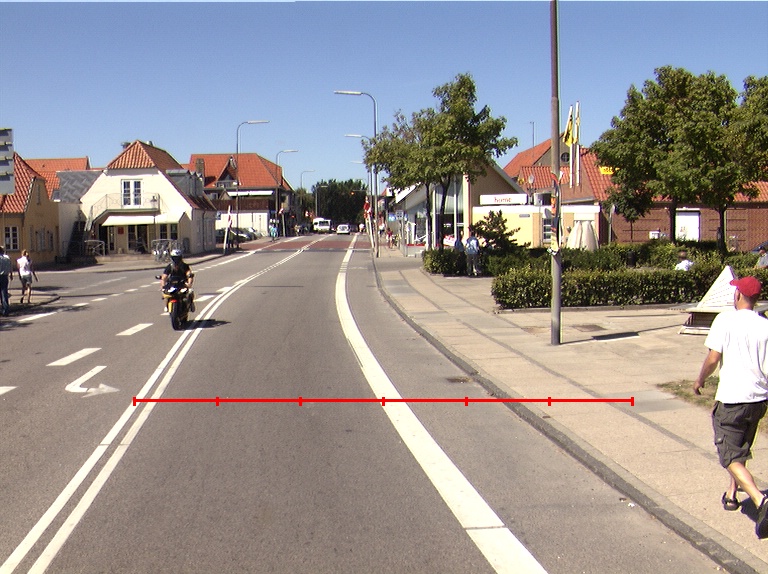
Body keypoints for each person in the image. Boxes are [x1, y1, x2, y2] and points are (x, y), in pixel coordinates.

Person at [694, 276, 768, 538]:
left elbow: (713, 358)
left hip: (732, 399)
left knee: (729, 455)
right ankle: (732, 494)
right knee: (740, 447)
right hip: (758, 400)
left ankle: (760, 500)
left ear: (738, 296)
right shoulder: (765, 325)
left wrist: (700, 380)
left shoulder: (724, 320)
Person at [0, 246, 13, 316]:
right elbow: (10, 267)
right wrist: (11, 274)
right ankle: (5, 310)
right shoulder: (7, 258)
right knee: (4, 293)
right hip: (5, 276)